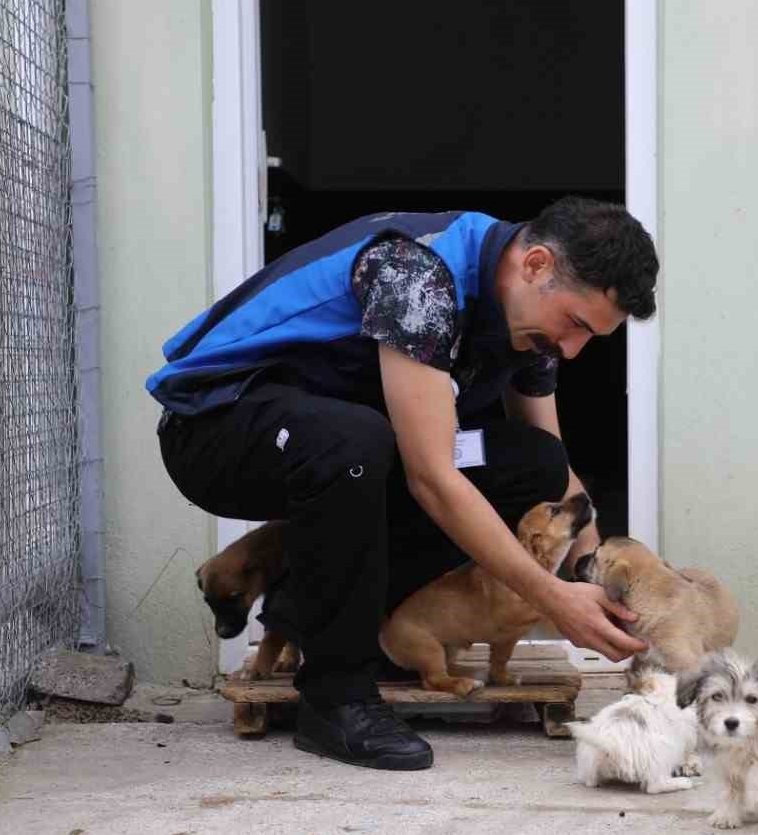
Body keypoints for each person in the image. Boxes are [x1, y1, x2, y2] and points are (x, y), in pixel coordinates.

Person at [148, 197, 657, 770]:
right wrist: (555, 599)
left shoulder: (529, 321)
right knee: (361, 445)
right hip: (213, 425)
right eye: (576, 324)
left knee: (529, 464)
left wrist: (599, 569)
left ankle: (362, 625)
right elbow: (432, 478)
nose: (571, 349)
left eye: (591, 337)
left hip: (338, 440)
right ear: (536, 264)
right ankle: (336, 695)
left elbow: (556, 469)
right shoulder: (417, 276)